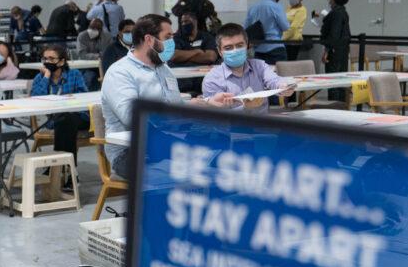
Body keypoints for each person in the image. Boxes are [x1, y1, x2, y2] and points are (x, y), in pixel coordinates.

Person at [101, 14, 234, 179]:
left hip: (166, 140)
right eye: (167, 37)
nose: (172, 41)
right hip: (130, 151)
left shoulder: (164, 69)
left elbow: (175, 106)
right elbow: (133, 118)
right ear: (149, 40)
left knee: (218, 141)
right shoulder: (120, 72)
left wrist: (207, 103)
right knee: (192, 166)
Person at [201, 23, 295, 110]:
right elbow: (214, 116)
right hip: (230, 127)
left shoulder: (260, 66)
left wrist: (283, 86)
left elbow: (274, 80)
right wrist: (244, 107)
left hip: (262, 125)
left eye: (239, 45)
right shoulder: (211, 79)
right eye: (228, 48)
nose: (235, 51)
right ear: (219, 51)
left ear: (247, 46)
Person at [30, 44, 88, 171]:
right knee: (64, 120)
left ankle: (56, 169)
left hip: (79, 117)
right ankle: (70, 173)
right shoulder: (40, 78)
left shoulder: (74, 74)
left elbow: (83, 98)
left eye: (52, 59)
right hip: (54, 121)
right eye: (45, 59)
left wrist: (65, 103)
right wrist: (46, 77)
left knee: (66, 118)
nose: (47, 62)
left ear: (61, 61)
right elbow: (35, 100)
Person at [245, 0, 291, 64]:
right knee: (279, 75)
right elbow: (285, 27)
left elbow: (246, 27)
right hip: (275, 47)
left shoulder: (253, 7)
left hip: (258, 49)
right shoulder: (276, 6)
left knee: (261, 75)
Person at [76, 18, 109, 90]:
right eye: (91, 28)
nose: (92, 30)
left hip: (103, 66)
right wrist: (99, 55)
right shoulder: (82, 36)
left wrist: (99, 55)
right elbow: (82, 54)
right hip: (86, 67)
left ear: (100, 30)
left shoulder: (107, 36)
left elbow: (108, 52)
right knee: (89, 78)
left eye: (96, 29)